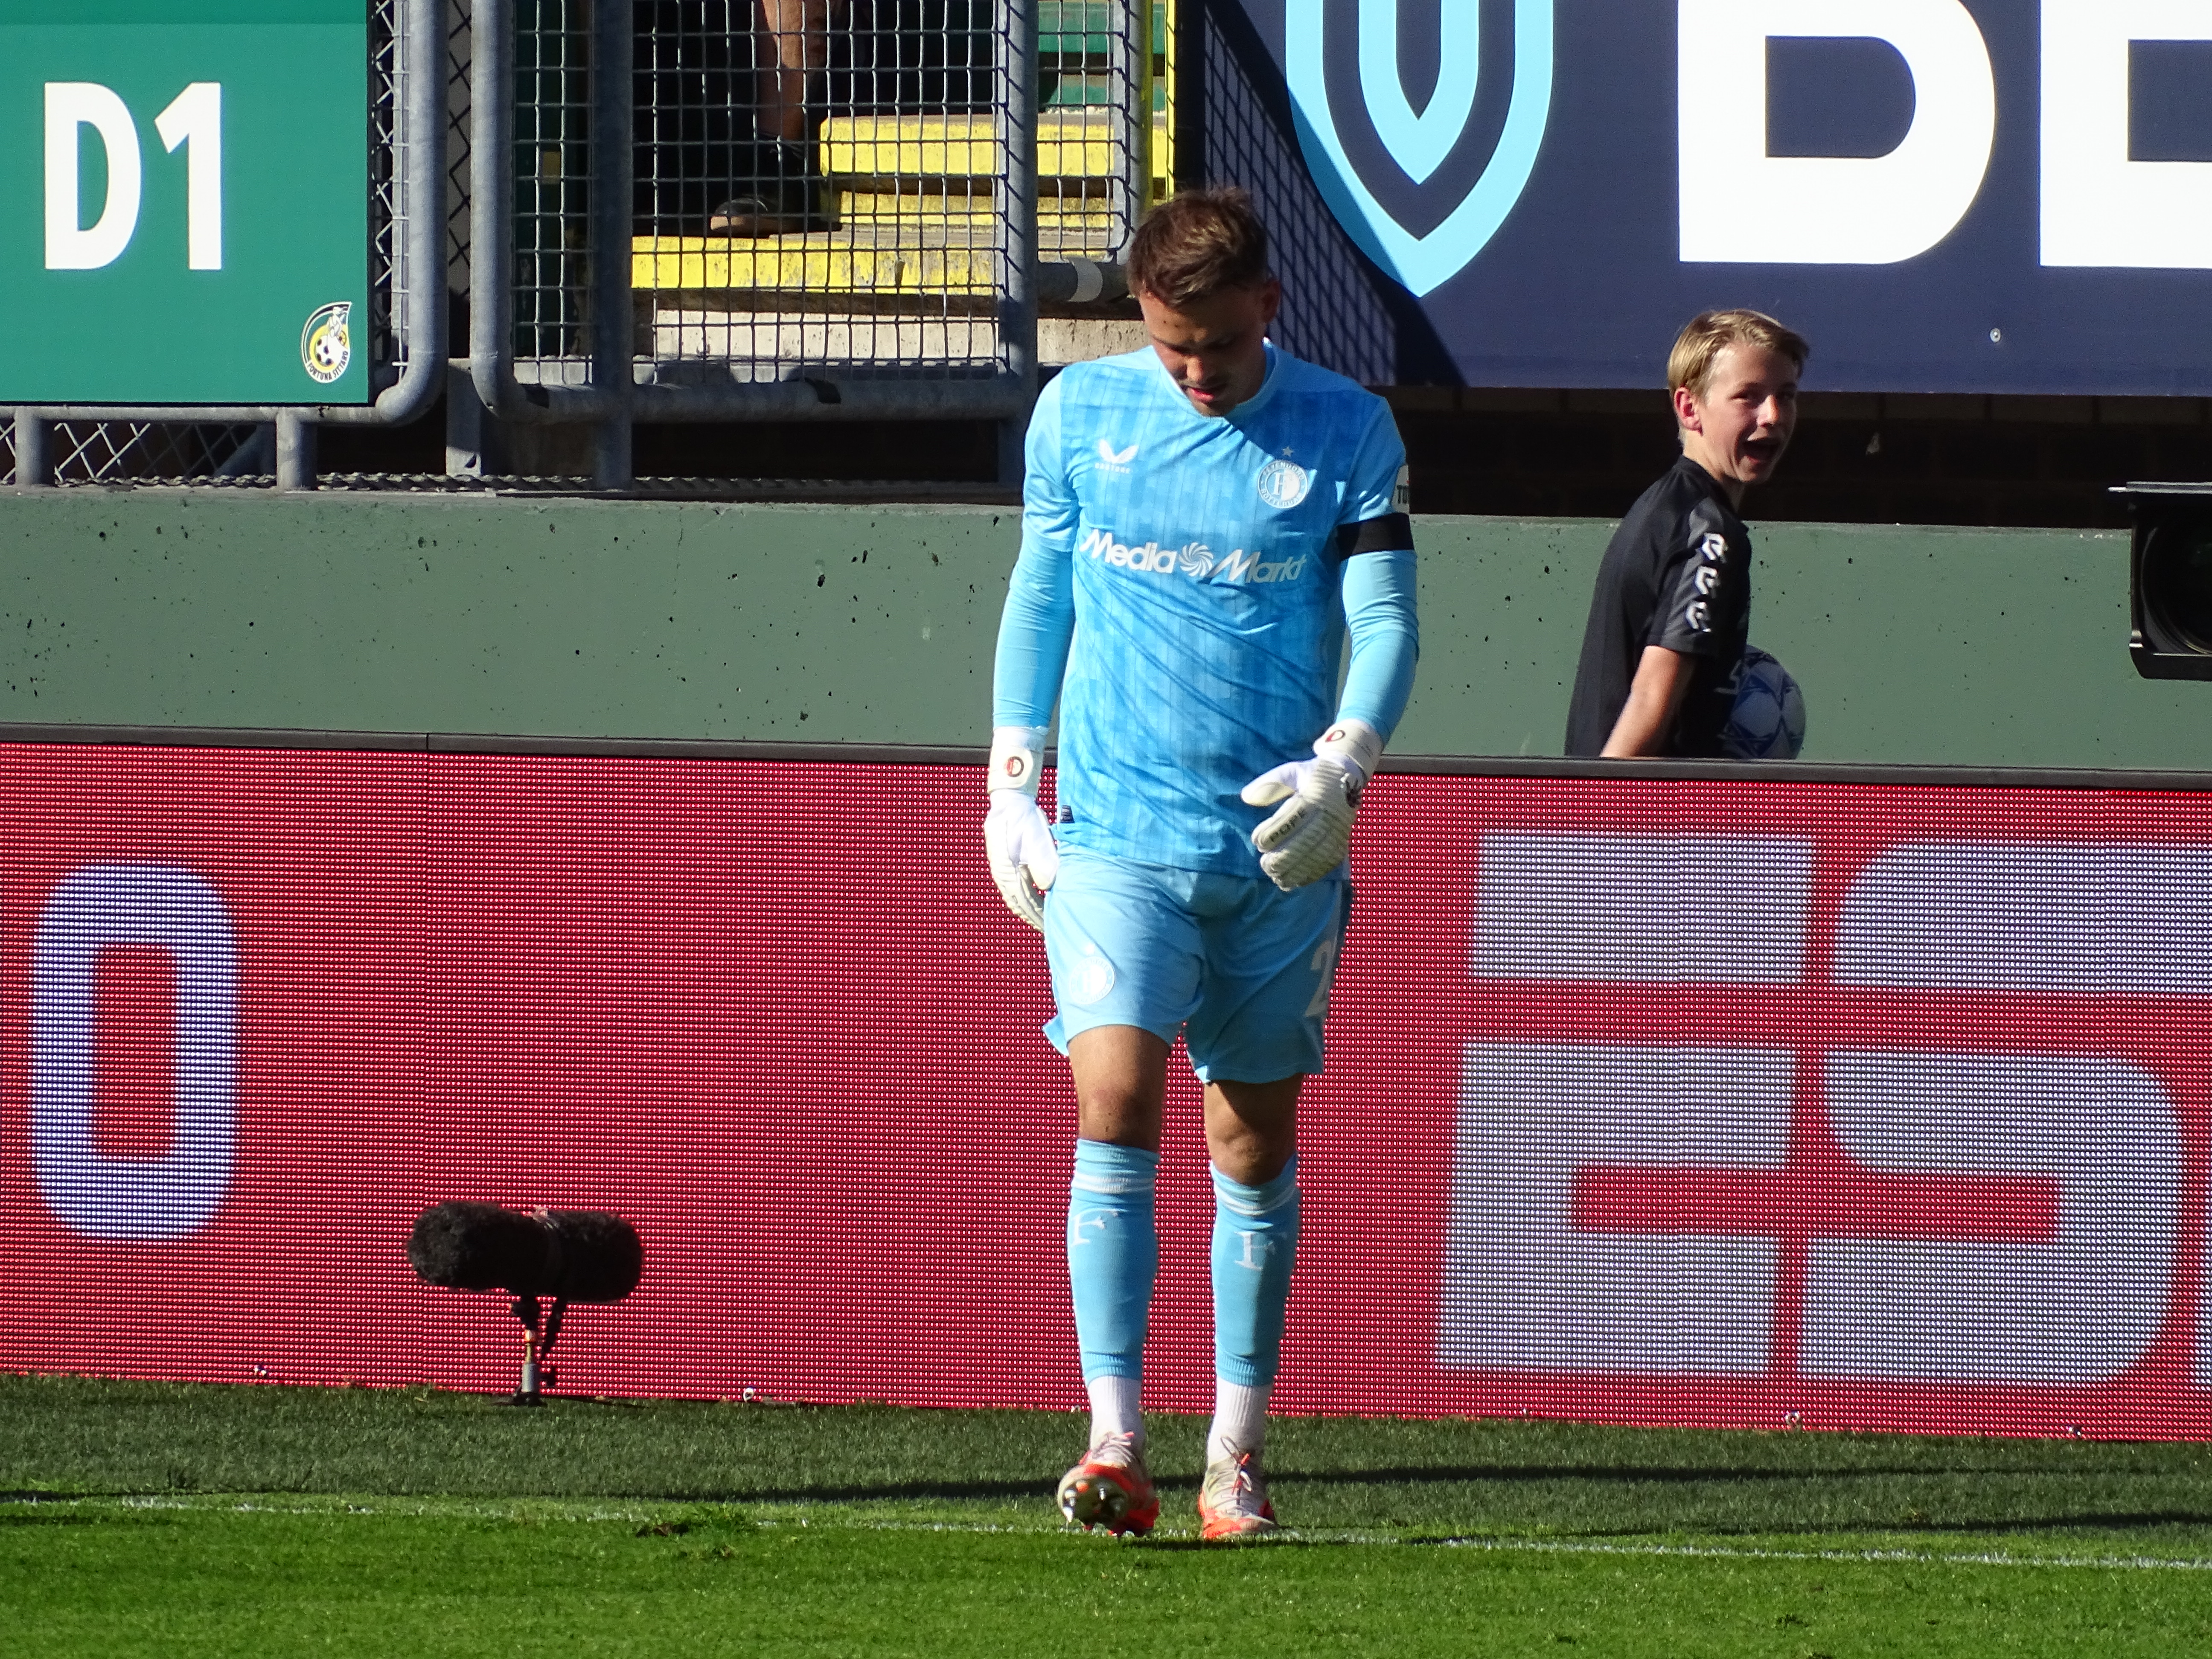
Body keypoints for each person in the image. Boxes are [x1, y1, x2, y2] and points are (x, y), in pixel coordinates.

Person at [982, 187, 1420, 1540]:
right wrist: (1009, 778)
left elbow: (1389, 620)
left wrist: (1346, 763)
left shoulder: (1347, 427)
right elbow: (1041, 592)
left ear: (1268, 312)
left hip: (1279, 849)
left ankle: (1236, 1454)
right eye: (1170, 347)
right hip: (1118, 836)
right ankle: (1115, 1437)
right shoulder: (1081, 417)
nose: (1192, 373)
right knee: (1112, 1096)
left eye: (1215, 351)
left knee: (1252, 1137)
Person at [1563, 310, 1807, 758]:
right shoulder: (1711, 532)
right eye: (1748, 397)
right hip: (1646, 820)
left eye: (1786, 395)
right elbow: (1651, 696)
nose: (1773, 415)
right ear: (1689, 408)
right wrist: (1598, 812)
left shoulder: (1663, 506)